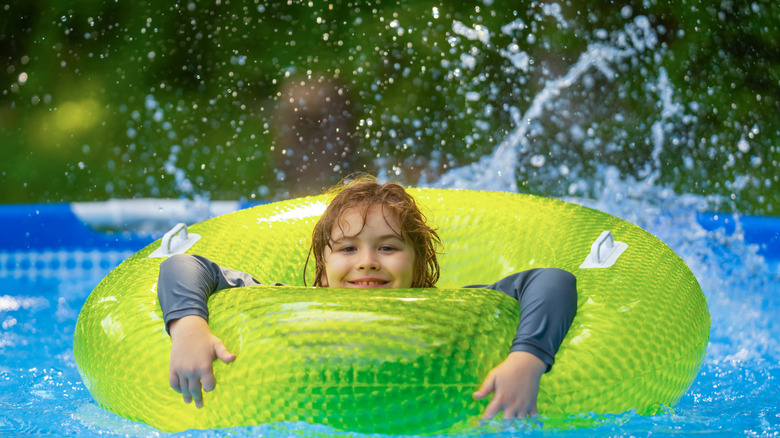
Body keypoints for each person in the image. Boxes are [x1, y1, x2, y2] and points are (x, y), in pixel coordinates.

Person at [157, 175, 577, 420]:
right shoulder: (288, 302)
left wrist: (527, 358)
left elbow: (552, 281)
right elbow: (185, 265)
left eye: (389, 248)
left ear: (419, 267)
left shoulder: (454, 310)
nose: (368, 262)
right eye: (347, 249)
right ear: (322, 269)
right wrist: (189, 325)